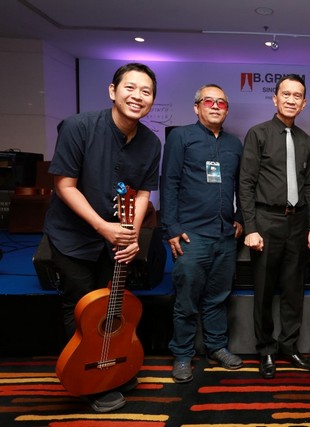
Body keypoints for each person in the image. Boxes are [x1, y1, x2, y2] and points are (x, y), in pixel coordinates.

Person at [43, 62, 161, 412]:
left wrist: (132, 235)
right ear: (113, 91)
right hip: (73, 236)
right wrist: (102, 226)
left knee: (111, 303)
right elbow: (64, 185)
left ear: (152, 100)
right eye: (130, 88)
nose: (137, 96)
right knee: (82, 305)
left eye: (146, 91)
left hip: (115, 240)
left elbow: (142, 193)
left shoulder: (151, 142)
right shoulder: (79, 127)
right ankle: (88, 379)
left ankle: (109, 363)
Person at [161, 84, 244, 384]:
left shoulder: (235, 143)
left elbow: (241, 185)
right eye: (208, 101)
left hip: (224, 235)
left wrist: (239, 217)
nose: (215, 106)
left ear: (227, 110)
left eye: (221, 102)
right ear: (196, 107)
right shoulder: (181, 137)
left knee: (218, 297)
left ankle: (216, 347)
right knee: (186, 300)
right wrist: (171, 228)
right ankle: (183, 354)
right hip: (191, 235)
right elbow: (169, 182)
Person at [238, 74, 310, 379]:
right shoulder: (257, 134)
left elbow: (309, 188)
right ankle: (266, 350)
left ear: (304, 103)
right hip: (265, 220)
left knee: (293, 289)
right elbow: (246, 184)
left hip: (297, 222)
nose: (291, 100)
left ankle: (289, 345)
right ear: (275, 99)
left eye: (297, 96)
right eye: (286, 94)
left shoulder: (306, 141)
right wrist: (250, 228)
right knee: (264, 289)